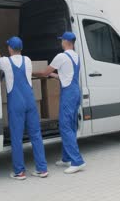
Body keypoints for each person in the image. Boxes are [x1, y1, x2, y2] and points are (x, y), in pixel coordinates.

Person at [33, 32, 86, 174]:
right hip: (75, 91)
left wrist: (31, 72)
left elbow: (44, 73)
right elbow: (64, 76)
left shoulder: (61, 56)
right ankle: (66, 158)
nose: (60, 42)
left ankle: (77, 161)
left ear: (66, 41)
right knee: (71, 125)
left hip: (68, 94)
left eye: (61, 40)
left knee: (65, 126)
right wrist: (52, 74)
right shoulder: (76, 56)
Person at [0, 36, 48, 180]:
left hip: (16, 103)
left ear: (9, 48)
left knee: (17, 138)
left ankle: (19, 172)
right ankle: (42, 169)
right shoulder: (27, 60)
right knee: (36, 135)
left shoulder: (4, 61)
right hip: (30, 101)